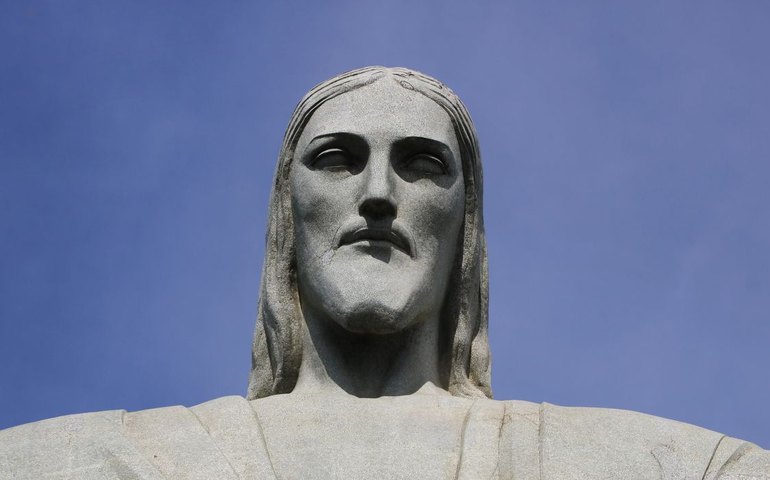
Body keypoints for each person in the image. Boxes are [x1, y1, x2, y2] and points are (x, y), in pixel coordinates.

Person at [1, 67, 767, 479]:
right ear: (286, 216)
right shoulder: (112, 459)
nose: (376, 195)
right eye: (336, 159)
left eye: (421, 164)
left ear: (465, 228)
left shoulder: (655, 466)